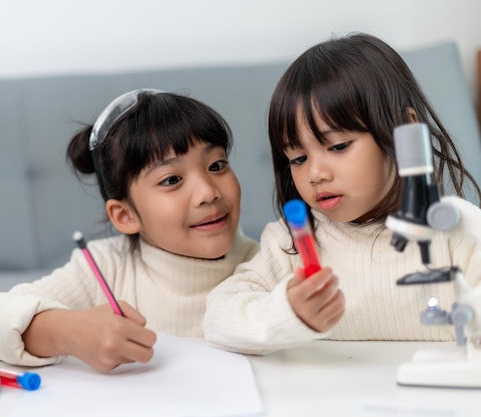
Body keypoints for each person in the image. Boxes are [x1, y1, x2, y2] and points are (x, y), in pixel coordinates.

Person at [203, 33, 481, 355]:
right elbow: (218, 316)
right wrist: (286, 314)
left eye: (337, 146)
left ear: (406, 134)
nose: (315, 174)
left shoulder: (459, 230)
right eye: (298, 159)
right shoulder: (290, 243)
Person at [0, 89, 259, 371]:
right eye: (172, 180)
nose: (208, 192)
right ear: (125, 215)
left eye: (217, 165)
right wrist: (69, 333)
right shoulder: (106, 266)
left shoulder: (268, 260)